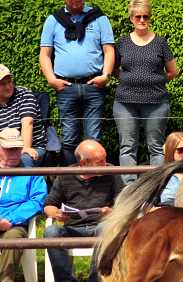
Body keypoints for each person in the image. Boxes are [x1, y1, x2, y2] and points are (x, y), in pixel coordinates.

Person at [43, 140, 125, 282]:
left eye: (104, 159)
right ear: (83, 163)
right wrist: (57, 214)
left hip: (102, 226)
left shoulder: (111, 173)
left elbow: (125, 204)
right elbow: (48, 206)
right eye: (100, 162)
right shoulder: (66, 175)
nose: (105, 164)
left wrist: (112, 212)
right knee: (51, 232)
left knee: (108, 228)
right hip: (73, 228)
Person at [39, 0, 115, 167]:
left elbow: (109, 50)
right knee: (68, 139)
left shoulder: (99, 18)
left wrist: (106, 75)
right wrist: (51, 79)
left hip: (94, 86)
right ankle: (70, 180)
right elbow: (45, 54)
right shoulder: (53, 20)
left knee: (94, 138)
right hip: (66, 87)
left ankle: (94, 179)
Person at [113, 0, 179, 185]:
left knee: (156, 147)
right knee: (127, 147)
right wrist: (127, 78)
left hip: (156, 101)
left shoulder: (160, 42)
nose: (142, 20)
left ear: (150, 17)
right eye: (138, 16)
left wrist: (155, 81)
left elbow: (173, 71)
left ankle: (155, 187)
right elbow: (113, 68)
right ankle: (129, 190)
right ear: (131, 19)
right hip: (125, 102)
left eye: (146, 16)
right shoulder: (123, 42)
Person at [0, 129, 47, 282]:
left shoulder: (32, 174)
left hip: (14, 224)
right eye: (8, 150)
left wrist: (10, 219)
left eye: (17, 149)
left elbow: (37, 201)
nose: (13, 154)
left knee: (12, 240)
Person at [0, 65, 48, 167]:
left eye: (9, 82)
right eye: (2, 84)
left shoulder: (23, 94)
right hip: (3, 149)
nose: (8, 87)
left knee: (23, 159)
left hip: (32, 147)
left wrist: (25, 147)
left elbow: (28, 123)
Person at [156, 132, 183, 207]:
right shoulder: (162, 175)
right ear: (171, 151)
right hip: (167, 214)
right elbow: (144, 202)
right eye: (181, 150)